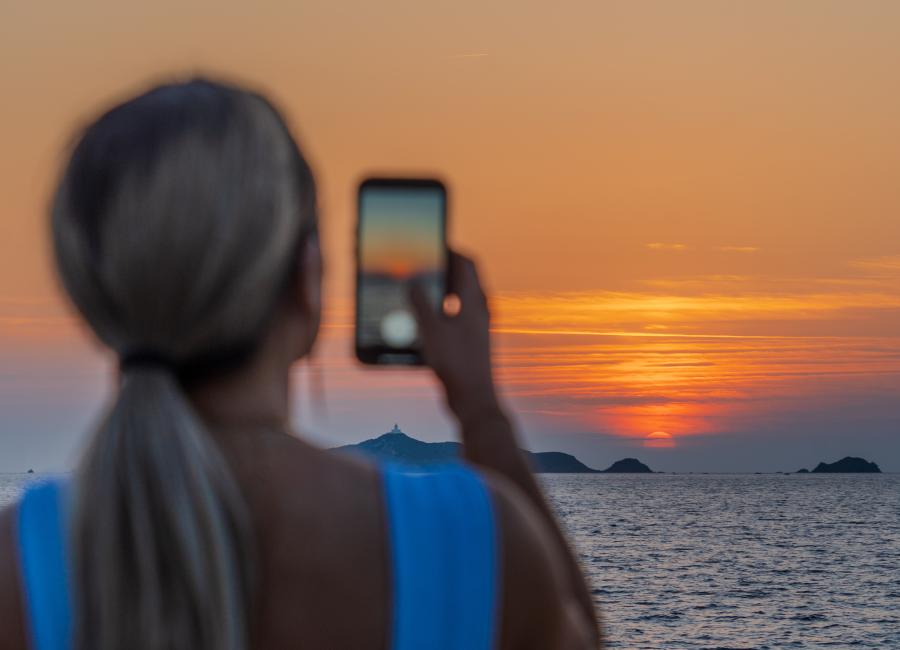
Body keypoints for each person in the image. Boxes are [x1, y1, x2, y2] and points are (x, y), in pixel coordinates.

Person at [0, 78, 600, 650]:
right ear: (305, 283)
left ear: (98, 299)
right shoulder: (474, 545)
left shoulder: (16, 569)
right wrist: (480, 408)